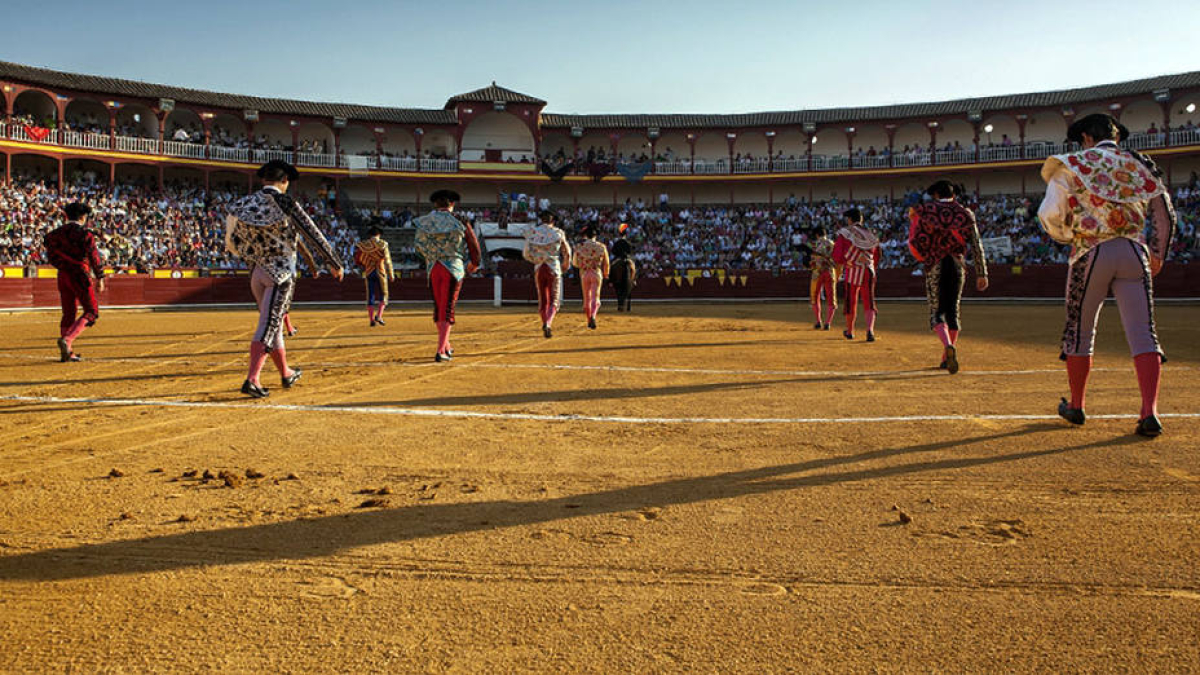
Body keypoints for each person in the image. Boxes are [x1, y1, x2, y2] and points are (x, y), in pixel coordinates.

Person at [1038, 113, 1175, 437]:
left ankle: (1077, 405)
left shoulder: (1073, 163)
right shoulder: (1140, 164)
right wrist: (1157, 252)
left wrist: (1068, 235)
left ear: (1086, 137)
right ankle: (1149, 412)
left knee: (1080, 331)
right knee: (1144, 333)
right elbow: (1164, 213)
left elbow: (1049, 213)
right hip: (1133, 252)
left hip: (1091, 252)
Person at [225, 160, 344, 398]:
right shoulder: (286, 203)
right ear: (285, 181)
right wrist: (333, 262)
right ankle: (253, 379)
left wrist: (252, 254)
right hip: (280, 274)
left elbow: (231, 243)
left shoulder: (241, 204)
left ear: (263, 180)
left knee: (275, 324)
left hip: (256, 272)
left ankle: (286, 372)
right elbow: (312, 232)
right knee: (269, 325)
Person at [908, 180, 989, 373]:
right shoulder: (966, 214)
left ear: (935, 195)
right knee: (953, 311)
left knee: (937, 311)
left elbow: (915, 241)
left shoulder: (924, 211)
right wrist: (982, 272)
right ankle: (947, 355)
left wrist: (926, 257)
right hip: (957, 264)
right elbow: (977, 245)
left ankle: (947, 346)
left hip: (936, 264)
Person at [413, 189, 481, 362]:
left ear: (435, 204)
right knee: (448, 308)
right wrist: (474, 262)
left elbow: (418, 246)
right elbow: (473, 244)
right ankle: (441, 349)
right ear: (452, 204)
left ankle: (447, 345)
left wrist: (431, 256)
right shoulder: (460, 221)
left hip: (434, 267)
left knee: (439, 306)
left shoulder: (425, 222)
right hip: (453, 267)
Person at [44, 202, 105, 362]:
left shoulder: (54, 234)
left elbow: (50, 255)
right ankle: (68, 340)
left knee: (69, 313)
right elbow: (94, 257)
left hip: (63, 275)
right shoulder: (85, 235)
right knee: (91, 311)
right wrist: (100, 277)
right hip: (80, 275)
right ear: (83, 217)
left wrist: (63, 266)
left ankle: (68, 351)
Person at [832, 208, 881, 341]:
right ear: (861, 220)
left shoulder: (845, 233)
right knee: (869, 300)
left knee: (851, 301)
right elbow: (877, 254)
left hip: (853, 270)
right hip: (868, 270)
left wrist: (845, 262)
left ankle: (850, 331)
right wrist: (871, 266)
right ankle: (870, 330)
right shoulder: (871, 234)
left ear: (849, 219)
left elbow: (837, 255)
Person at [523, 210, 572, 338]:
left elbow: (526, 253)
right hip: (553, 267)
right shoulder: (558, 233)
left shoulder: (533, 232)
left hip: (539, 268)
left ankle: (544, 321)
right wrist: (565, 265)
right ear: (553, 221)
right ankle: (548, 324)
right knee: (554, 301)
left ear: (541, 220)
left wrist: (536, 260)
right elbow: (567, 252)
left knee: (543, 300)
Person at [354, 226, 395, 326]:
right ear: (379, 235)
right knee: (384, 294)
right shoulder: (383, 244)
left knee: (370, 295)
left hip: (369, 271)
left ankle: (371, 320)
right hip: (380, 271)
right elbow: (387, 261)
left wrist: (366, 264)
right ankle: (379, 316)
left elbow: (358, 259)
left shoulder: (363, 245)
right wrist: (391, 274)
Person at [572, 224, 610, 329]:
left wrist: (583, 265)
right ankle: (593, 316)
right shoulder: (601, 246)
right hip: (596, 272)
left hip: (584, 274)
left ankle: (589, 319)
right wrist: (606, 274)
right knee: (595, 297)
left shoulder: (579, 246)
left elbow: (575, 263)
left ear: (585, 236)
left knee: (586, 299)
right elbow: (606, 263)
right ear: (595, 236)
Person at [807, 227, 837, 330]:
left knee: (815, 297)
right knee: (831, 298)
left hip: (817, 273)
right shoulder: (832, 244)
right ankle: (828, 323)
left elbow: (812, 261)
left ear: (816, 235)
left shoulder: (814, 245)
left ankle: (818, 321)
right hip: (829, 272)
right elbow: (837, 259)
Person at [610, 225, 637, 312]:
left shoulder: (617, 242)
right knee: (633, 266)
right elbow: (631, 251)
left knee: (611, 266)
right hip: (627, 258)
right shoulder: (628, 242)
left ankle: (610, 280)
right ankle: (633, 280)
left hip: (619, 258)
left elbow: (613, 252)